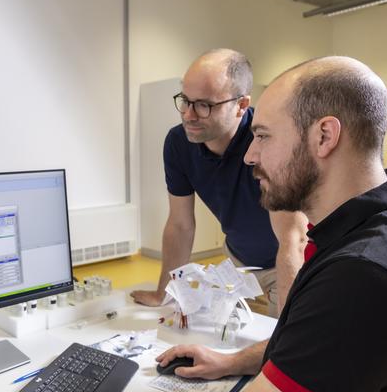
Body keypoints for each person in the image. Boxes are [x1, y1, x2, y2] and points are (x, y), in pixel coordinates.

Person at [20, 56, 387, 392]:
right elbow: (323, 350)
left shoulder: (361, 278)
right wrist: (234, 361)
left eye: (263, 136)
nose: (250, 155)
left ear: (325, 136)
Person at [130, 49, 307, 316]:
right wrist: (163, 292)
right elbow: (180, 224)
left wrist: (287, 326)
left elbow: (293, 238)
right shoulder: (179, 143)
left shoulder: (270, 143)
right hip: (238, 262)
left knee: (278, 345)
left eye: (204, 105)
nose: (189, 115)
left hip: (286, 262)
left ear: (241, 105)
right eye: (185, 101)